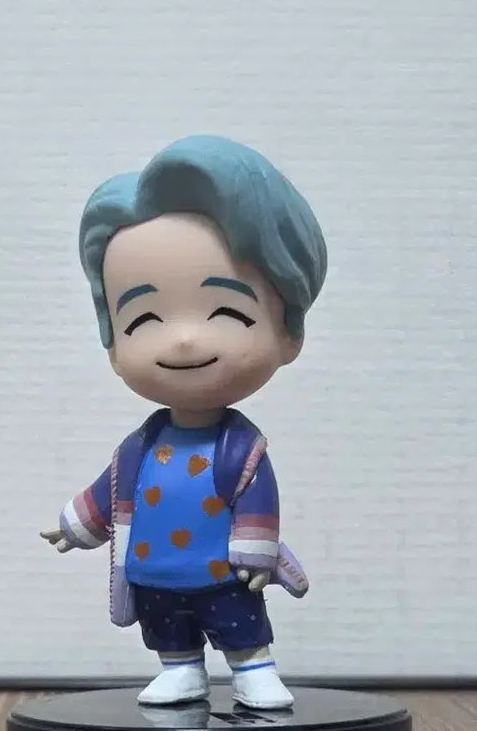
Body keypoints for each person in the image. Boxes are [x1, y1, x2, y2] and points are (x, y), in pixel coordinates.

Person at [41, 134, 328, 709]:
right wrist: (76, 526)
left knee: (238, 622)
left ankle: (251, 668)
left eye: (226, 311)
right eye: (143, 319)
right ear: (113, 342)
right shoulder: (140, 446)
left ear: (289, 332)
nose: (184, 339)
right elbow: (110, 490)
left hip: (221, 568)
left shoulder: (240, 448)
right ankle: (181, 669)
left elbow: (257, 501)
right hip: (154, 570)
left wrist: (256, 552)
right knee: (167, 628)